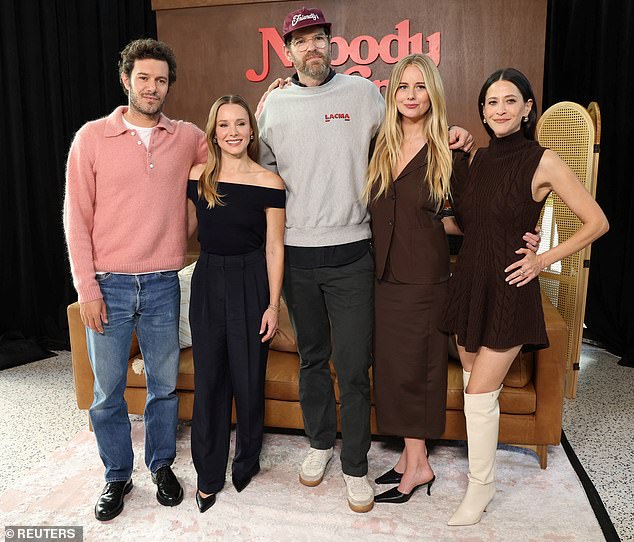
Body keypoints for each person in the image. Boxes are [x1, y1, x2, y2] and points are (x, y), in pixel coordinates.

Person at [257, 7, 473, 513]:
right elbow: (262, 177)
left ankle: (355, 464)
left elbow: (413, 130)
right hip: (298, 253)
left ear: (331, 44)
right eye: (301, 41)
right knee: (313, 357)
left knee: (353, 365)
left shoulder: (364, 95)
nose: (311, 47)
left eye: (319, 38)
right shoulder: (273, 109)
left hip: (355, 252)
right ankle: (317, 445)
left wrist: (454, 134)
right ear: (287, 52)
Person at [366, 55, 541, 506]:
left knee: (415, 370)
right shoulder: (378, 145)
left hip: (425, 276)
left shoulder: (452, 150)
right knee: (390, 368)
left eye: (420, 87)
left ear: (433, 94)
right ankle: (409, 457)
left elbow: (472, 219)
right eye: (402, 87)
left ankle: (419, 463)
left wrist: (527, 236)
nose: (410, 95)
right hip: (382, 274)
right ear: (392, 94)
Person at [442, 68, 609, 526]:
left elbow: (597, 221)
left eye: (510, 101)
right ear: (482, 110)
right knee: (478, 387)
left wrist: (542, 259)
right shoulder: (476, 160)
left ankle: (480, 488)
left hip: (510, 290)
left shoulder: (544, 160)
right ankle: (482, 475)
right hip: (470, 284)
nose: (500, 109)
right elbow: (468, 226)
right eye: (491, 102)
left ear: (527, 107)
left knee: (478, 394)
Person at [64, 39, 208, 520]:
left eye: (161, 80)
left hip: (165, 283)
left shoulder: (186, 136)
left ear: (169, 85)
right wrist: (87, 289)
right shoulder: (90, 138)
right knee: (108, 392)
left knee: (163, 386)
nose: (152, 87)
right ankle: (116, 476)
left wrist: (268, 103)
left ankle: (161, 465)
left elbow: (233, 151)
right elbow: (76, 220)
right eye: (143, 78)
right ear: (125, 79)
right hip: (109, 284)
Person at [187, 95, 285, 513]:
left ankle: (246, 460)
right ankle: (208, 474)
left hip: (251, 280)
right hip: (207, 278)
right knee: (209, 380)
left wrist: (273, 305)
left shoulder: (269, 182)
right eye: (223, 124)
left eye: (240, 124)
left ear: (251, 130)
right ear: (213, 132)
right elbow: (184, 232)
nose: (232, 132)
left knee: (248, 378)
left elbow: (275, 248)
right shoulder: (196, 176)